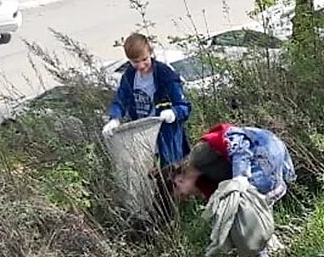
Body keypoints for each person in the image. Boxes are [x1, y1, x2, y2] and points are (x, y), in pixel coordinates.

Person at [103, 33, 191, 167]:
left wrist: (173, 113)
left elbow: (184, 107)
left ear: (150, 52)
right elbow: (120, 100)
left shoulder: (165, 74)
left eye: (144, 59)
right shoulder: (130, 76)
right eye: (135, 62)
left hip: (167, 137)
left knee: (170, 175)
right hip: (142, 136)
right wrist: (114, 118)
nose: (141, 65)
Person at [168, 123, 296, 204]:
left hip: (264, 148)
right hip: (261, 167)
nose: (189, 196)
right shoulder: (204, 180)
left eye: (183, 194)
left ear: (178, 181)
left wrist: (240, 178)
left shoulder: (198, 157)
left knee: (246, 197)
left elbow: (239, 143)